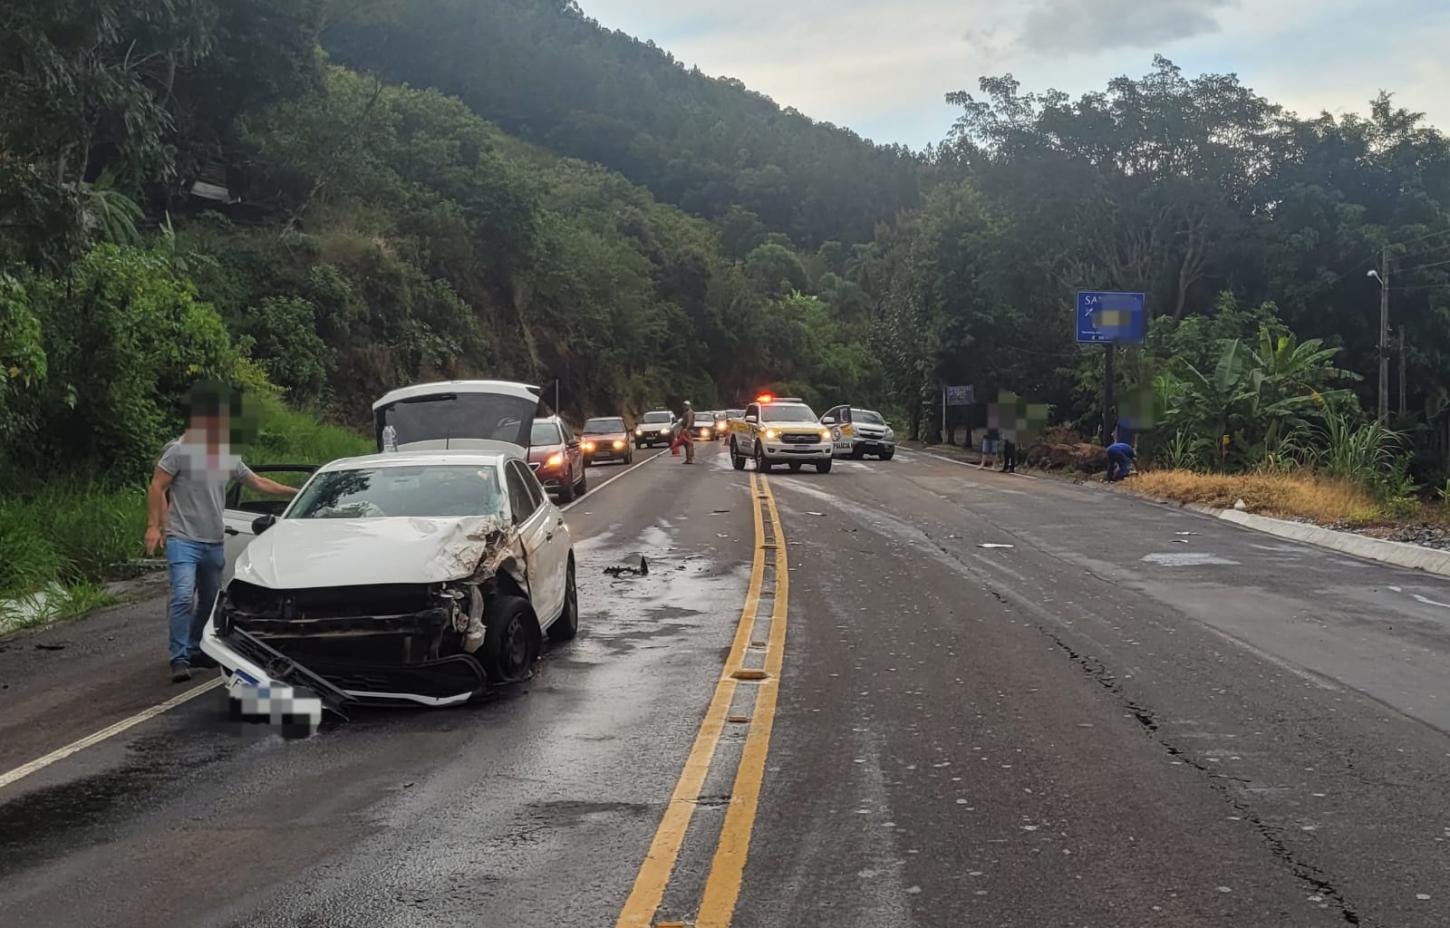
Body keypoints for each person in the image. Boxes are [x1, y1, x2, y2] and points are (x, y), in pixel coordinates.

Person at [145, 383, 299, 683]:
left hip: (213, 540)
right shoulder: (179, 451)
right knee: (181, 597)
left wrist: (300, 493)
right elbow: (157, 486)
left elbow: (259, 483)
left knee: (210, 599)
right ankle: (178, 657)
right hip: (182, 538)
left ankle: (193, 647)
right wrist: (155, 526)